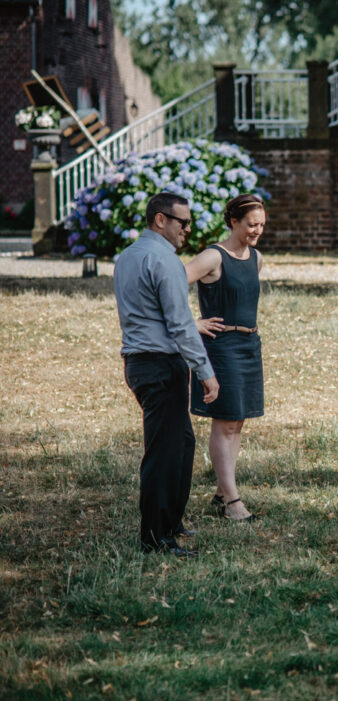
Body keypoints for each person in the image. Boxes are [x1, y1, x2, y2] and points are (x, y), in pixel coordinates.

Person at [114, 192, 220, 557]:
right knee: (163, 451)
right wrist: (205, 371)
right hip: (161, 364)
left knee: (183, 442)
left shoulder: (127, 258)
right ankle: (156, 539)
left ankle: (171, 521)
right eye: (182, 222)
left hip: (139, 363)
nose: (188, 230)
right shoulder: (165, 260)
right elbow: (180, 324)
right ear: (161, 220)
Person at [184, 194, 266, 522]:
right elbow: (169, 281)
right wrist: (191, 322)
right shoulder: (212, 257)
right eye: (251, 224)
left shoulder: (257, 258)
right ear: (233, 221)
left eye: (261, 225)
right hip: (221, 347)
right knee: (226, 421)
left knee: (239, 421)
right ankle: (232, 501)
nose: (257, 230)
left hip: (250, 346)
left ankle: (221, 493)